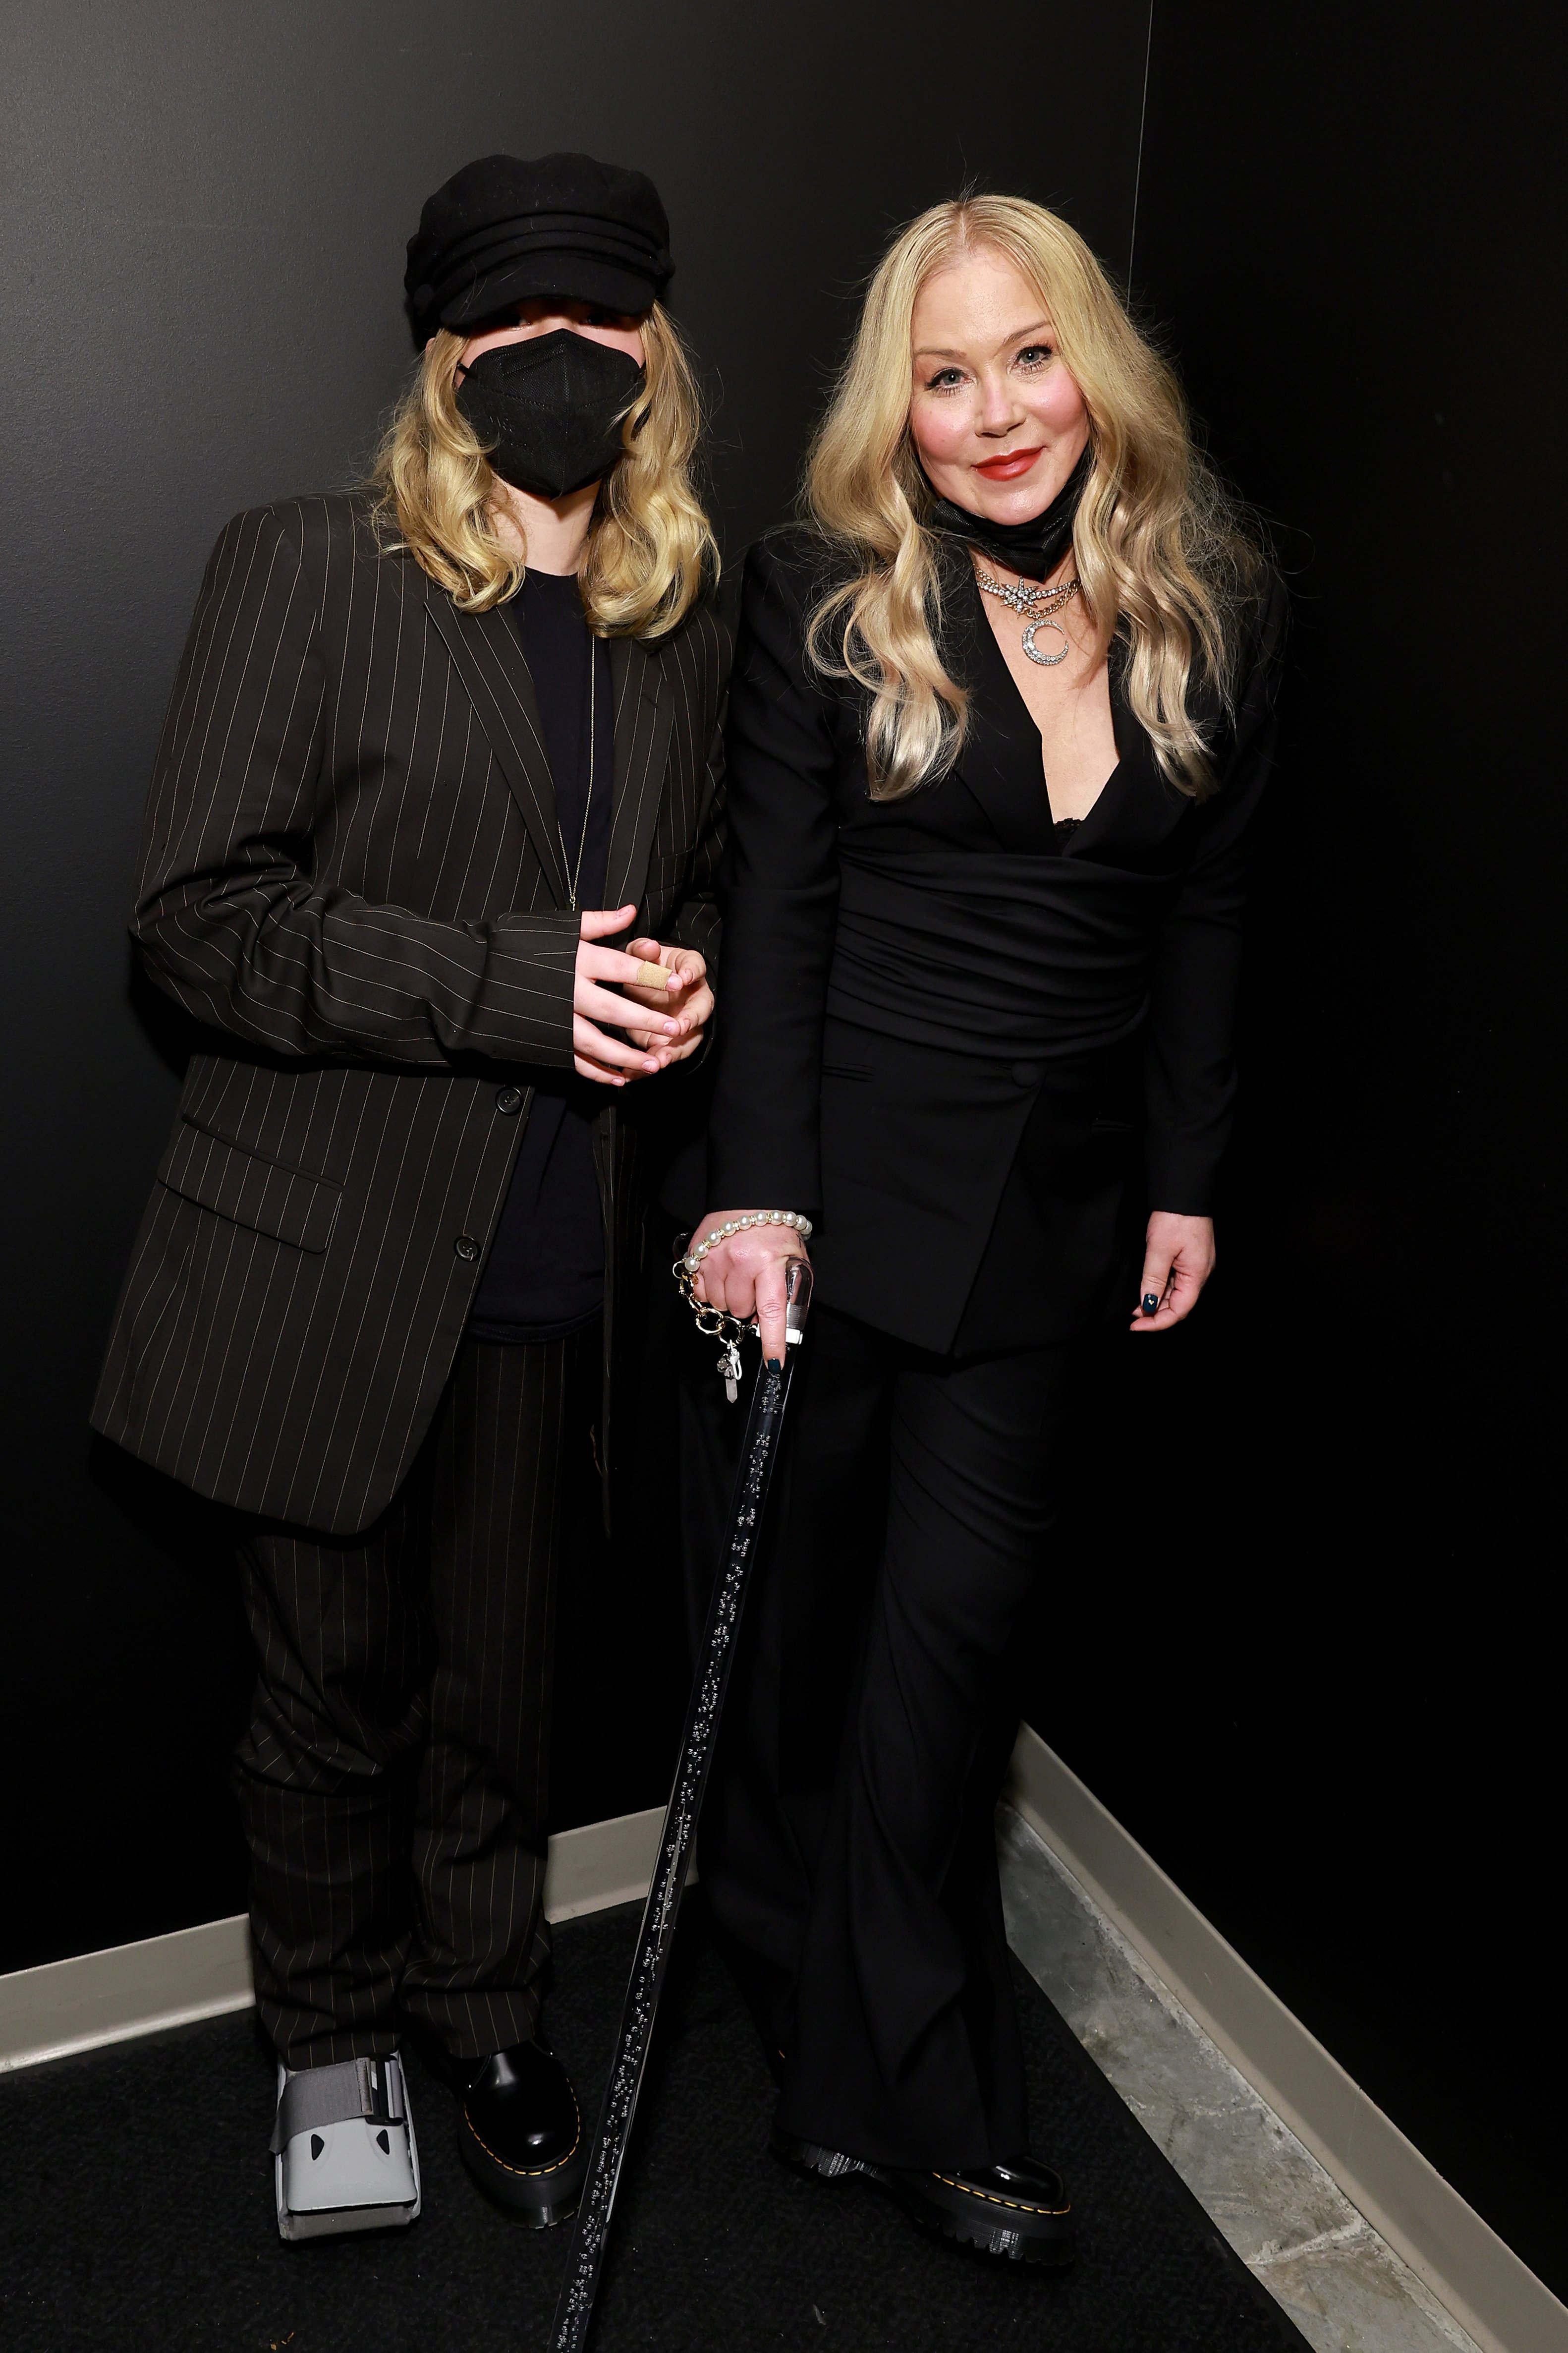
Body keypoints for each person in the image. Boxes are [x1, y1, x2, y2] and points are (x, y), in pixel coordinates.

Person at [92, 150, 728, 2241]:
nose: (562, 360)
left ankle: (484, 2000)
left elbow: (670, 887)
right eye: (513, 326)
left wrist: (684, 969)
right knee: (328, 1691)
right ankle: (333, 2032)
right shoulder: (305, 564)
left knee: (502, 1682)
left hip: (564, 1244)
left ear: (653, 351)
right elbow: (196, 923)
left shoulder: (677, 612)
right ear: (445, 358)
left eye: (600, 323)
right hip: (327, 1257)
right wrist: (502, 984)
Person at [680, 193, 1283, 2268]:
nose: (995, 407)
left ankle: (895, 2091)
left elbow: (1201, 910)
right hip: (834, 1219)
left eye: (1027, 354)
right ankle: (788, 1975)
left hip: (1048, 1233)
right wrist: (752, 1194)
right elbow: (772, 912)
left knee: (939, 1674)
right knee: (794, 1655)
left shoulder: (1207, 599)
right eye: (945, 374)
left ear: (1090, 361)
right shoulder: (821, 595)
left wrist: (1185, 1173)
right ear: (900, 409)